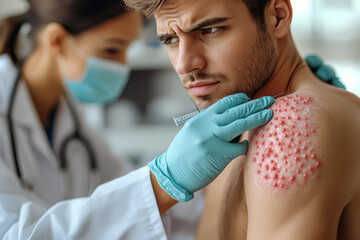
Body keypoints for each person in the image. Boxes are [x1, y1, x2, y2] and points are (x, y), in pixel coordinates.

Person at [0, 0, 278, 239]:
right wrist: (166, 180)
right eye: (111, 50)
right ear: (56, 41)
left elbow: (154, 211)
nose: (122, 66)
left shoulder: (69, 119)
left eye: (125, 51)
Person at [123, 0, 360, 239]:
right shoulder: (232, 134)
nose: (185, 64)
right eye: (170, 40)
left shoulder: (293, 125)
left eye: (210, 30)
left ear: (277, 16)